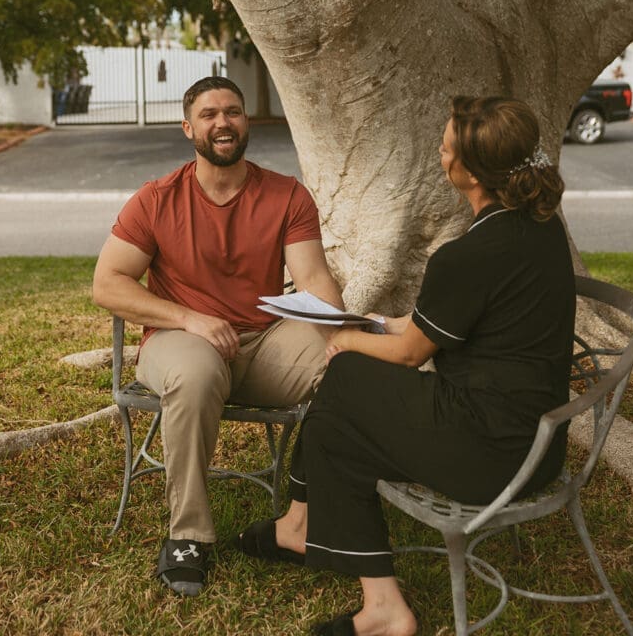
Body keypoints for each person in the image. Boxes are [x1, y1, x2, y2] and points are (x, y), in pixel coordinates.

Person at [238, 96, 576, 636]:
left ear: (466, 171)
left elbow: (410, 354)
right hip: (540, 445)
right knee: (341, 413)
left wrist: (347, 337)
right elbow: (456, 325)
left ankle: (362, 587)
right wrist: (387, 322)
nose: (438, 151)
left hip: (491, 454)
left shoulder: (466, 255)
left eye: (445, 146)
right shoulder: (539, 228)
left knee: (344, 385)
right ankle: (310, 535)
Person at [93, 76, 342, 597]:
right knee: (195, 371)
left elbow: (314, 279)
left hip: (262, 341)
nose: (222, 122)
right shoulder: (157, 199)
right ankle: (188, 536)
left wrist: (339, 334)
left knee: (347, 366)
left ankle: (305, 519)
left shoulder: (286, 194)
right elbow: (107, 284)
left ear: (245, 123)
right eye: (208, 114)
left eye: (232, 111)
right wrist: (189, 318)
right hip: (179, 342)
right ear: (189, 128)